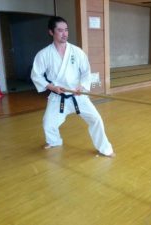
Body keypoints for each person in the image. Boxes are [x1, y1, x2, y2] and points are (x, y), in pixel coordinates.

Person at [31, 16, 114, 157]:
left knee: (96, 120)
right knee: (48, 124)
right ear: (51, 32)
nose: (65, 33)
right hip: (58, 96)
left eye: (66, 30)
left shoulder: (77, 51)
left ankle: (105, 149)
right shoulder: (44, 54)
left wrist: (82, 86)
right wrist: (52, 87)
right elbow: (36, 75)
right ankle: (55, 141)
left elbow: (86, 72)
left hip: (78, 95)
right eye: (60, 30)